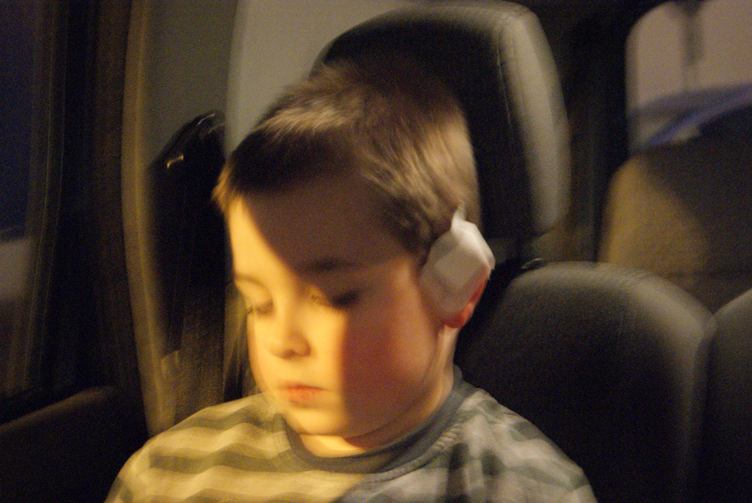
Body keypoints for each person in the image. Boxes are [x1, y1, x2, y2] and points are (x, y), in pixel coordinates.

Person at [106, 56, 595, 502]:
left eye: (333, 298)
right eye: (258, 304)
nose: (282, 341)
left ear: (456, 284)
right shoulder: (169, 472)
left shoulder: (527, 489)